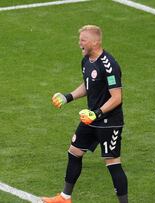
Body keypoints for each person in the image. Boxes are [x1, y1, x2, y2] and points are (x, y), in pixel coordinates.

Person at [42, 25, 128, 203]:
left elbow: (117, 97)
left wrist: (96, 114)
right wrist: (68, 97)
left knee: (112, 163)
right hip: (91, 119)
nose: (79, 43)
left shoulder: (109, 65)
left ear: (95, 42)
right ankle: (65, 197)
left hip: (109, 122)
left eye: (83, 40)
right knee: (74, 151)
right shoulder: (86, 61)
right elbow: (88, 85)